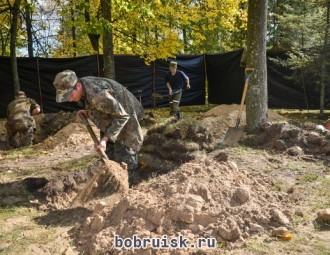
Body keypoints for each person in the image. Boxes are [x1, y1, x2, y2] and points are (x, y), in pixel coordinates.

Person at [53, 70, 144, 173]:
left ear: (77, 86)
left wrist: (105, 140)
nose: (69, 99)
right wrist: (88, 112)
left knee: (124, 158)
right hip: (112, 117)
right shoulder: (83, 86)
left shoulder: (98, 94)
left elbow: (122, 117)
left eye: (69, 95)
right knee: (109, 158)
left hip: (127, 117)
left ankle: (129, 184)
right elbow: (99, 106)